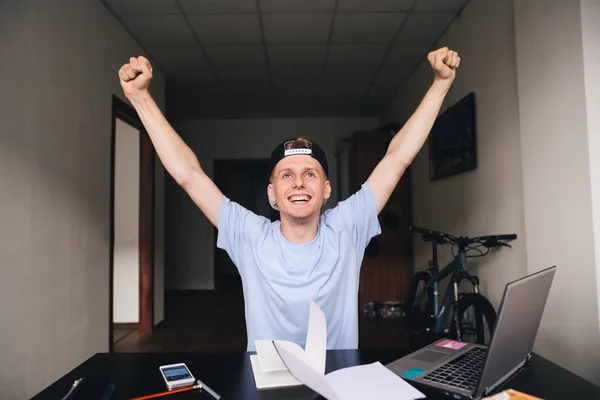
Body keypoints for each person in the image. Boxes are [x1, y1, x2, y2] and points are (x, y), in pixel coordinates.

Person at [118, 47, 461, 352]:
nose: (298, 182)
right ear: (272, 194)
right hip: (267, 383)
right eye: (286, 175)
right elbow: (189, 175)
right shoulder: (249, 236)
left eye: (310, 173)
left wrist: (440, 85)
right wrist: (141, 99)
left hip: (337, 379)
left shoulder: (348, 226)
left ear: (326, 190)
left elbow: (397, 158)